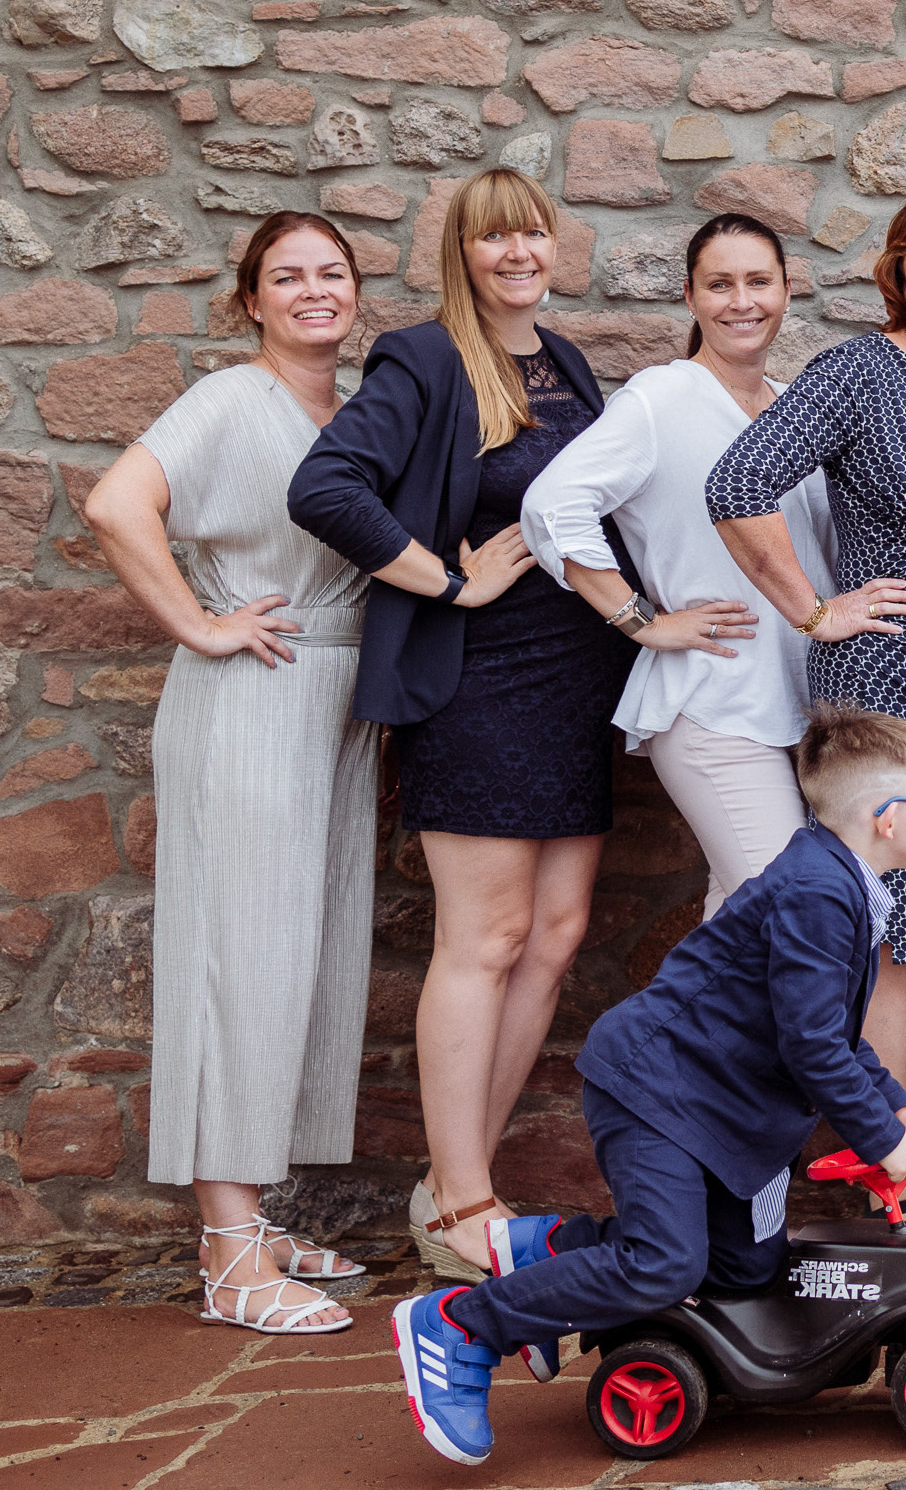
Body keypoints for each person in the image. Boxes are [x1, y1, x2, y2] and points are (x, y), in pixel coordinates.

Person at [389, 703, 906, 1466]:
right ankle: (463, 1323)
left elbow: (832, 1033)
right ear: (887, 818)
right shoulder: (818, 893)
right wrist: (885, 1142)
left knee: (743, 1267)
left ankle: (550, 1247)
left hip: (722, 1109)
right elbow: (812, 1047)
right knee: (666, 1264)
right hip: (659, 1091)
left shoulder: (842, 883)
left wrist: (897, 1102)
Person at [288, 166, 626, 1282]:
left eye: (532, 231)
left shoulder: (565, 363)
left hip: (576, 685)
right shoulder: (424, 358)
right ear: (462, 255)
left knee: (557, 934)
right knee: (482, 939)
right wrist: (445, 582)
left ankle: (453, 1185)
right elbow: (326, 487)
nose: (518, 251)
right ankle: (469, 1200)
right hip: (478, 687)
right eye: (494, 239)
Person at [707, 184, 906, 1234]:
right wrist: (811, 606)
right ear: (896, 271)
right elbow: (737, 481)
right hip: (893, 695)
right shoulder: (855, 373)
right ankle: (888, 1181)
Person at [85, 212, 378, 1335]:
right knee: (239, 959)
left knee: (307, 960)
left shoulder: (348, 414)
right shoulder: (226, 401)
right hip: (251, 695)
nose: (314, 290)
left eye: (332, 273)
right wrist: (200, 626)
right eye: (287, 276)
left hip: (334, 704)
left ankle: (258, 1216)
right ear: (250, 299)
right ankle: (227, 1254)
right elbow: (117, 505)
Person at [522, 213, 837, 917]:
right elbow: (552, 505)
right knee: (796, 911)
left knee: (735, 936)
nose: (742, 301)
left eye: (759, 281)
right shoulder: (661, 398)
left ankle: (676, 1035)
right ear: (690, 298)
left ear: (788, 290)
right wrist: (642, 621)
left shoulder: (790, 408)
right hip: (712, 703)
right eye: (719, 284)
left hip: (790, 705)